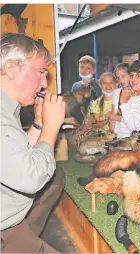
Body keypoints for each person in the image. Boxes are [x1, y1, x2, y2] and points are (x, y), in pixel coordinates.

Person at [0, 33, 66, 252]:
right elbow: (30, 177)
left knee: (56, 177)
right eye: (40, 72)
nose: (44, 83)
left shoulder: (7, 109)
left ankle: (25, 234)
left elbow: (16, 155)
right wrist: (51, 127)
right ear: (11, 69)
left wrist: (39, 122)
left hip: (9, 222)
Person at [113, 60, 140, 138]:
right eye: (131, 75)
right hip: (120, 140)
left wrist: (123, 102)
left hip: (133, 145)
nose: (133, 80)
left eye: (138, 76)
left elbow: (133, 127)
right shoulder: (128, 95)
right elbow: (123, 122)